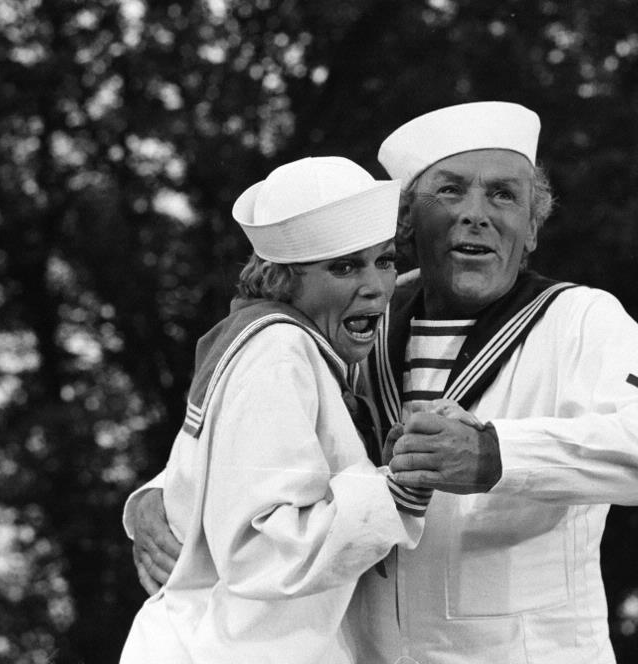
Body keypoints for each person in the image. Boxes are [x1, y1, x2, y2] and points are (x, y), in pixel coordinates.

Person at [128, 102, 638, 663]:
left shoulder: (578, 319)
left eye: (503, 195)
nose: (476, 213)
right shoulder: (355, 318)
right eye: (450, 191)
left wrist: (497, 454)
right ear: (404, 221)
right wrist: (165, 498)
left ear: (532, 227)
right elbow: (262, 427)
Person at [119, 157, 436, 664]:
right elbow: (261, 552)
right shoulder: (279, 353)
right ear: (282, 278)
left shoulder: (275, 340)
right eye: (344, 266)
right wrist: (397, 490)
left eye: (385, 260)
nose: (377, 286)